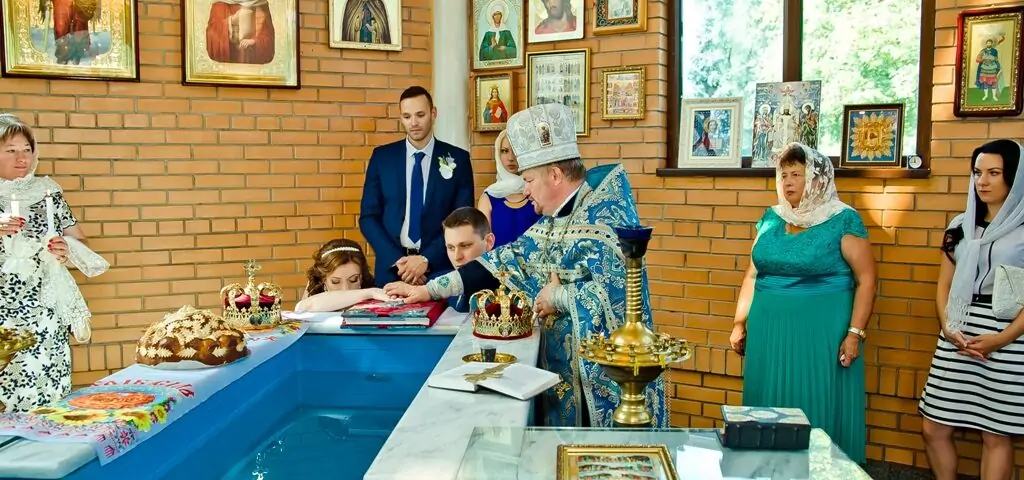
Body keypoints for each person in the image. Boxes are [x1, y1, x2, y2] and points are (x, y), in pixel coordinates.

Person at [385, 103, 668, 429]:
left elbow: (619, 299)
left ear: (555, 176)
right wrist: (427, 290)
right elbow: (505, 260)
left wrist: (557, 296)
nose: (524, 189)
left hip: (608, 390)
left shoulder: (604, 218)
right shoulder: (557, 218)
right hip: (564, 378)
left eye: (529, 179)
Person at [728, 142, 876, 464]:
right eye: (783, 175)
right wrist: (739, 322)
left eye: (797, 174)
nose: (788, 182)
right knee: (767, 401)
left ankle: (817, 468)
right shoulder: (771, 218)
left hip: (820, 332)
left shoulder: (842, 219)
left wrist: (855, 334)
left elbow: (867, 280)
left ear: (818, 179)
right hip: (768, 330)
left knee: (812, 397)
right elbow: (752, 275)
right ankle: (764, 468)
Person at [919, 139, 1024, 480]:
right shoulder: (960, 224)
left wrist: (1000, 339)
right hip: (957, 330)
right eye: (977, 172)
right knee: (933, 426)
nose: (983, 181)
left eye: (994, 173)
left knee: (996, 433)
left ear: (1015, 177)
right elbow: (944, 285)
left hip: (1008, 335)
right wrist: (949, 328)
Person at [0, 114, 109, 413]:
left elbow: (80, 244)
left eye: (27, 149)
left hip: (44, 310)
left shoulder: (48, 193)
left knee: (45, 390)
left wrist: (65, 250)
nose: (22, 158)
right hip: (3, 312)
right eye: (11, 150)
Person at [358, 86, 475, 288]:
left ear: (433, 113)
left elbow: (462, 219)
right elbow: (368, 217)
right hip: (392, 269)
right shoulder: (382, 158)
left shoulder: (458, 159)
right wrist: (399, 262)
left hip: (439, 269)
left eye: (420, 115)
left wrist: (426, 259)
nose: (413, 123)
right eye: (407, 116)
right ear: (401, 118)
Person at [477, 129, 541, 248]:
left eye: (516, 150)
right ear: (498, 154)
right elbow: (484, 246)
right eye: (505, 151)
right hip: (497, 260)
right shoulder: (489, 198)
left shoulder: (539, 192)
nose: (511, 158)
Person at [295, 239, 393, 313]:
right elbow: (309, 305)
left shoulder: (375, 305)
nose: (345, 289)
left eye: (354, 280)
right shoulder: (311, 304)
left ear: (362, 277)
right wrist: (370, 292)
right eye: (336, 282)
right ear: (323, 280)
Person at [441, 207, 495, 313]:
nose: (457, 257)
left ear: (489, 242)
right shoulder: (448, 289)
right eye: (451, 247)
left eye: (465, 246)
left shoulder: (505, 296)